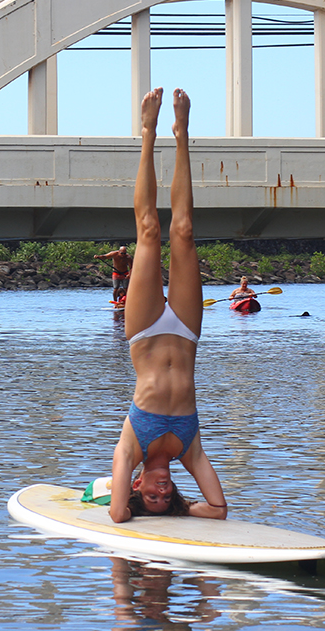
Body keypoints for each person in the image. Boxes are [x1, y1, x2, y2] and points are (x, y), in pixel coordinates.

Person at [109, 87, 227, 523]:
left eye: (151, 498)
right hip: (186, 332)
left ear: (137, 484)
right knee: (183, 231)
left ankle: (147, 132)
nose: (160, 494)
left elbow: (119, 515)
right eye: (166, 497)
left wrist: (135, 505)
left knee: (147, 232)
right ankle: (182, 135)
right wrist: (181, 511)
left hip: (142, 332)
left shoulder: (131, 448)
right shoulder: (188, 450)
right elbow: (218, 509)